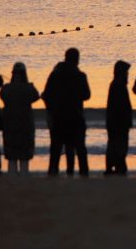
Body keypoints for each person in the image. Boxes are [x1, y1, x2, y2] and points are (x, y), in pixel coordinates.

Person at [42, 47, 91, 176]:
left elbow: (46, 95)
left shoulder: (55, 75)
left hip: (58, 117)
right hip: (75, 116)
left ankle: (53, 172)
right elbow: (86, 95)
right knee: (78, 147)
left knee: (56, 148)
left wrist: (50, 110)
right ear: (77, 60)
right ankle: (81, 173)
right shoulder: (80, 75)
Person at [0, 62, 39, 175]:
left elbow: (1, 95)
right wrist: (30, 85)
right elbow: (36, 96)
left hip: (9, 125)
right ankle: (24, 178)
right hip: (25, 125)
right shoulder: (29, 88)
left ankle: (12, 178)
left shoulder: (6, 89)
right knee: (24, 156)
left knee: (12, 156)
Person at [105, 60, 132, 175]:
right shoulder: (119, 85)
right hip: (119, 122)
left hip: (115, 121)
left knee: (115, 144)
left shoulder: (116, 84)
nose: (128, 74)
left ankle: (114, 166)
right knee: (118, 144)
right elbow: (121, 106)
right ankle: (118, 166)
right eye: (126, 72)